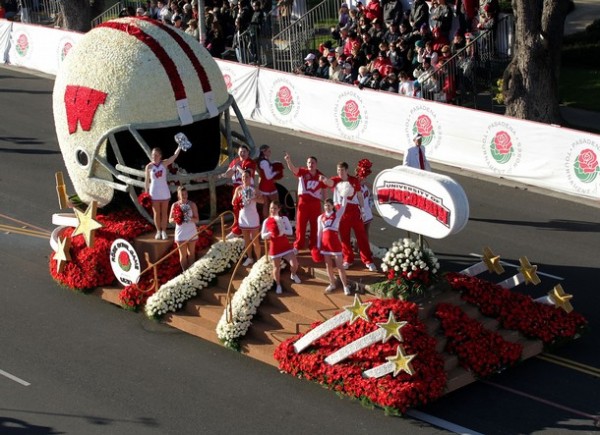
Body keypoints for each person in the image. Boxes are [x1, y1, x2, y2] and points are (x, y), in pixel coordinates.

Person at [321, 162, 377, 272]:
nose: (339, 172)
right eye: (338, 170)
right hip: (342, 212)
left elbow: (360, 196)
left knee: (361, 236)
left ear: (346, 170)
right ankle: (348, 259)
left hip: (354, 211)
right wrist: (323, 179)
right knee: (344, 238)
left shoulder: (353, 180)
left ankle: (368, 260)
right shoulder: (335, 180)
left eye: (341, 170)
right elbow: (329, 182)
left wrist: (362, 210)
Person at [283, 152, 326, 258]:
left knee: (315, 226)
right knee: (300, 225)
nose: (311, 164)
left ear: (316, 164)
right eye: (309, 162)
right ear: (307, 164)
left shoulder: (321, 176)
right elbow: (293, 169)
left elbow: (324, 192)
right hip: (303, 203)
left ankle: (313, 245)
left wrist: (325, 206)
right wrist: (288, 160)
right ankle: (298, 245)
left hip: (315, 204)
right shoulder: (303, 172)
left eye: (313, 162)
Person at [261, 200, 302, 294]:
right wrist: (271, 233)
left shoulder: (284, 219)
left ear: (279, 209)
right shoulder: (267, 221)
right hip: (275, 247)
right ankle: (278, 284)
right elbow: (263, 236)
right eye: (271, 208)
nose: (273, 210)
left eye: (275, 208)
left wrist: (282, 231)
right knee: (276, 267)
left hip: (285, 246)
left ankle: (293, 274)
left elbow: (290, 232)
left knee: (295, 264)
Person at [219, 144, 257, 239]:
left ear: (248, 153)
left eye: (244, 151)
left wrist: (237, 167)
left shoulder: (250, 162)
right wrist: (222, 175)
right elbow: (228, 174)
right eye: (241, 151)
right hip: (236, 188)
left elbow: (246, 174)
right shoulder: (235, 161)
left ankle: (251, 230)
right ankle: (237, 230)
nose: (242, 153)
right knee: (237, 209)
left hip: (247, 188)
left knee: (249, 208)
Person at [145, 146, 182, 240]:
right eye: (153, 155)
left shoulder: (164, 163)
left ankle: (164, 231)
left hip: (164, 191)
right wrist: (146, 194)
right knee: (156, 213)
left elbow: (174, 157)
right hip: (154, 192)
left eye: (156, 155)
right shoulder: (149, 166)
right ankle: (158, 231)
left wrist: (179, 147)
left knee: (165, 212)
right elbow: (146, 181)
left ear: (160, 156)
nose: (154, 157)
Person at [318, 198, 352, 295]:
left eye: (329, 205)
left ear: (333, 206)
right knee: (328, 265)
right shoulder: (320, 217)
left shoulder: (337, 215)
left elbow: (344, 206)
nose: (327, 207)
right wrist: (318, 246)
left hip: (335, 244)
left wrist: (345, 195)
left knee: (339, 266)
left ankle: (345, 286)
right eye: (325, 205)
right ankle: (332, 283)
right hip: (325, 245)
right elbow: (319, 233)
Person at [233, 169, 263, 266]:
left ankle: (258, 260)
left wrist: (254, 198)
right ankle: (250, 257)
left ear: (250, 178)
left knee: (255, 241)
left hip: (253, 217)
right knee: (246, 240)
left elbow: (263, 201)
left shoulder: (255, 189)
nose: (244, 179)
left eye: (246, 177)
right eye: (243, 177)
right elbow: (233, 202)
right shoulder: (239, 189)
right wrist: (238, 201)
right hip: (243, 217)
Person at [169, 186, 199, 270]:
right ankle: (185, 273)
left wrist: (188, 218)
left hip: (191, 231)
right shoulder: (175, 205)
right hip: (180, 233)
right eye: (182, 194)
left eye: (185, 193)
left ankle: (191, 272)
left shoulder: (192, 204)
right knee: (182, 255)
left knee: (191, 253)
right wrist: (178, 217)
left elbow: (197, 219)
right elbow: (170, 220)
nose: (184, 195)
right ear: (178, 195)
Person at [256, 144, 281, 219]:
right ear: (264, 152)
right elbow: (268, 176)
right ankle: (271, 219)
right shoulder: (264, 162)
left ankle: (268, 219)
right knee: (272, 203)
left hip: (265, 185)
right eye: (269, 151)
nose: (270, 152)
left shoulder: (264, 161)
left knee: (267, 204)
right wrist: (276, 172)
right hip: (267, 185)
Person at [355, 159, 374, 235]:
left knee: (366, 233)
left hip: (368, 212)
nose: (365, 178)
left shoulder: (364, 186)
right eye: (363, 176)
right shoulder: (356, 187)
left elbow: (373, 188)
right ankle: (358, 246)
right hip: (361, 213)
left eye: (365, 176)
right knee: (360, 233)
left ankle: (365, 246)